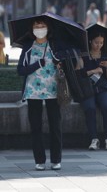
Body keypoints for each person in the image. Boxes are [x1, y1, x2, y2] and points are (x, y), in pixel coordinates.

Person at [16, 16, 70, 171]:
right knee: (36, 127)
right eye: (36, 25)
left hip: (53, 91)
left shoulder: (55, 45)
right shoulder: (28, 47)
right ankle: (39, 160)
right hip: (33, 92)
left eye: (42, 25)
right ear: (32, 29)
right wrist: (37, 64)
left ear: (48, 28)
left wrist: (59, 61)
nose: (39, 28)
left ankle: (56, 160)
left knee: (55, 125)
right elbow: (20, 70)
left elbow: (67, 60)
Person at [80, 29, 107, 151]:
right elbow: (78, 74)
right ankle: (94, 139)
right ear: (90, 41)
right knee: (89, 108)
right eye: (96, 42)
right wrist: (93, 71)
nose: (99, 45)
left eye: (101, 43)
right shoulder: (83, 56)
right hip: (87, 89)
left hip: (104, 88)